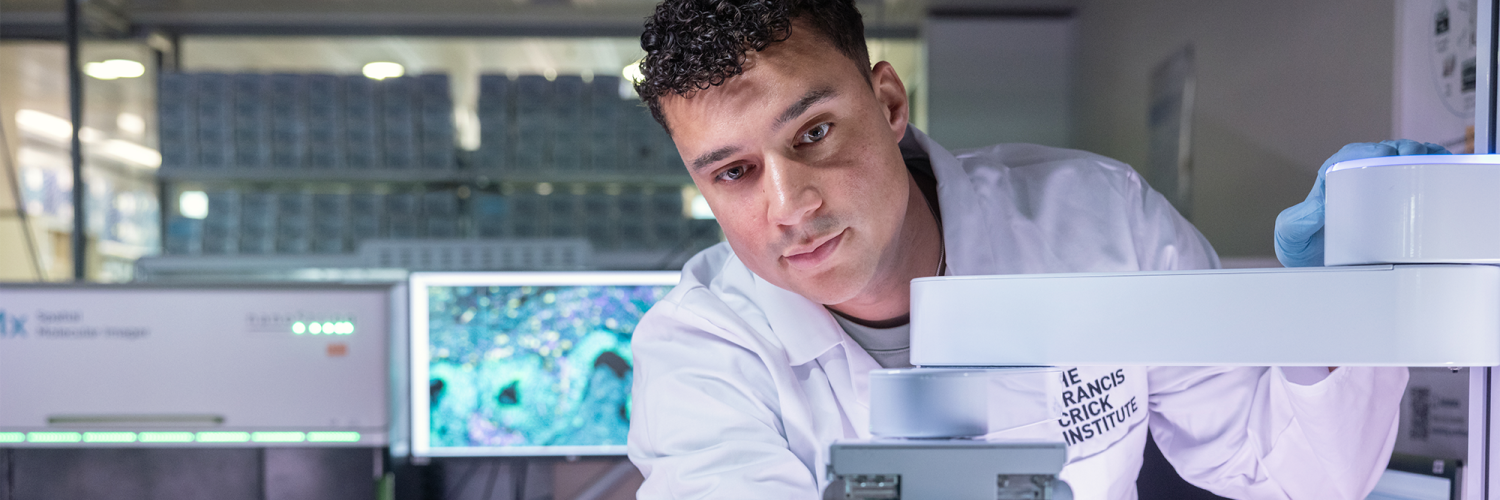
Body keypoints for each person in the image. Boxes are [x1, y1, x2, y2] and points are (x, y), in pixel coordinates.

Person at [624, 0, 1438, 498]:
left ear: (888, 99)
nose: (790, 205)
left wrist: (1337, 312)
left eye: (816, 131)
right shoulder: (702, 350)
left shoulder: (1094, 222)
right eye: (732, 172)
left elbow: (1301, 477)